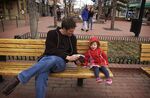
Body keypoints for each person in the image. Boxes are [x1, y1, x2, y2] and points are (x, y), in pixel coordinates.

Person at [1, 17, 80, 98]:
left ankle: (19, 78)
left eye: (73, 31)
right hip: (46, 61)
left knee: (53, 59)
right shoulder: (52, 34)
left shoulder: (72, 38)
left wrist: (77, 59)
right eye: (70, 31)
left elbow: (74, 52)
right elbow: (50, 50)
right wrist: (67, 56)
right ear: (64, 28)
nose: (72, 33)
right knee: (41, 75)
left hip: (59, 64)